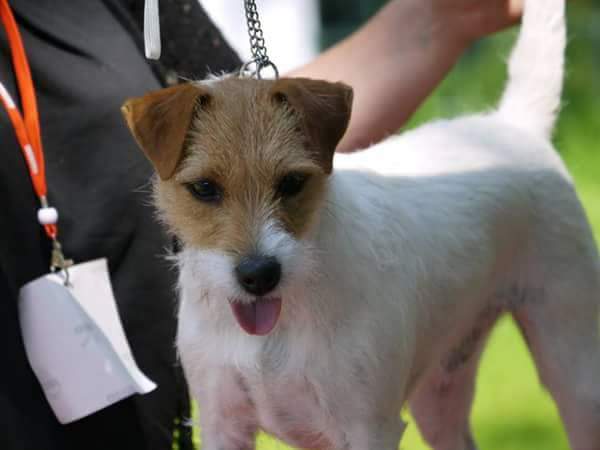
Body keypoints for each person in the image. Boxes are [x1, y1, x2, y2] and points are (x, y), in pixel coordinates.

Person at [0, 1, 521, 449]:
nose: (253, 244)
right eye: (206, 190)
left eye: (287, 187)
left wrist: (440, 19)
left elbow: (254, 106)